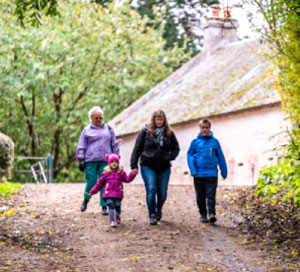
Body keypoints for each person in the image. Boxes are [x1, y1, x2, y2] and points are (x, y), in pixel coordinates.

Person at [130, 109, 180, 225]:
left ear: (164, 120)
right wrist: (134, 165)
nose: (159, 122)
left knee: (162, 194)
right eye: (157, 119)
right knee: (151, 189)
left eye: (161, 119)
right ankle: (152, 214)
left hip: (164, 166)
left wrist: (170, 157)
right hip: (148, 165)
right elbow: (137, 149)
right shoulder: (145, 132)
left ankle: (158, 208)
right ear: (153, 120)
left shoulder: (169, 133)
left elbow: (176, 148)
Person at [76, 106, 119, 214]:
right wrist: (81, 159)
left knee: (105, 182)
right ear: (91, 118)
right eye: (96, 118)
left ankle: (104, 206)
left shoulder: (108, 129)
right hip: (90, 160)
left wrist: (116, 156)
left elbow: (114, 143)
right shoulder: (86, 130)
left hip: (105, 160)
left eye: (100, 118)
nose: (99, 120)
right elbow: (81, 145)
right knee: (91, 182)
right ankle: (86, 200)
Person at [187, 118, 227, 224]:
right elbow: (190, 155)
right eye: (202, 128)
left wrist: (224, 171)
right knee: (200, 195)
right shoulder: (195, 142)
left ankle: (212, 214)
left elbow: (220, 156)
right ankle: (203, 214)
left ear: (210, 128)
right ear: (199, 128)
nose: (204, 130)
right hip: (198, 174)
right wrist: (193, 169)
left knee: (211, 194)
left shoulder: (215, 142)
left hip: (211, 173)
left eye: (206, 127)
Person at [89, 154, 137, 227]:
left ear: (118, 163)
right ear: (109, 163)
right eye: (112, 162)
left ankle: (117, 215)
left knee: (117, 206)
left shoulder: (121, 173)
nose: (114, 163)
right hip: (108, 194)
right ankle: (112, 221)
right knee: (110, 205)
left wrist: (132, 174)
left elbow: (127, 180)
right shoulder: (105, 173)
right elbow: (99, 184)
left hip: (118, 194)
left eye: (115, 162)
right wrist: (93, 191)